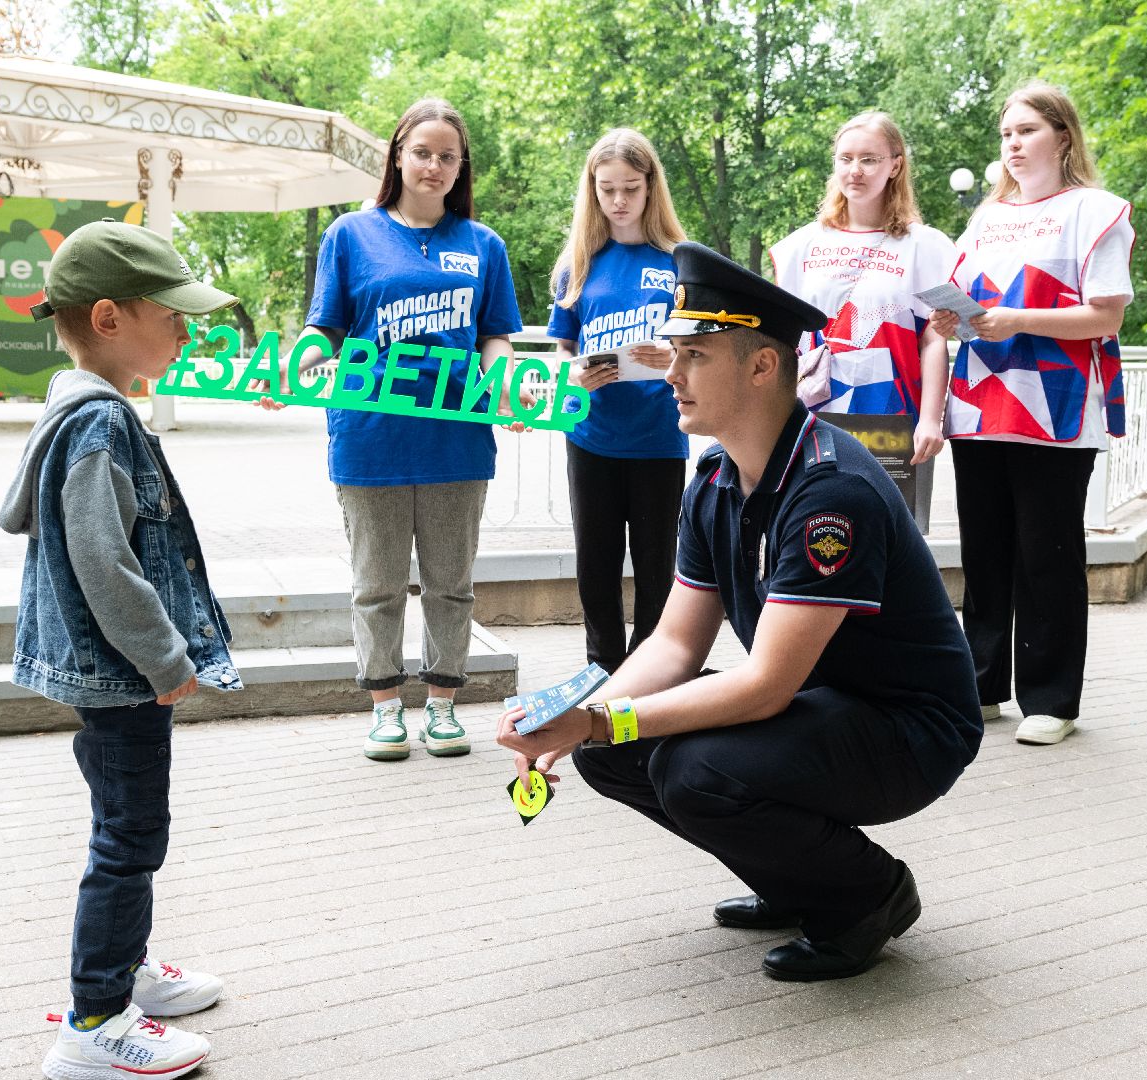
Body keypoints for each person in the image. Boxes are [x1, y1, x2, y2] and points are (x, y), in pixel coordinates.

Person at [498, 242, 983, 982]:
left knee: (696, 769)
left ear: (761, 366)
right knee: (616, 752)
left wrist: (597, 717)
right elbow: (673, 645)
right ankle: (796, 878)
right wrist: (572, 714)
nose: (672, 373)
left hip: (909, 731)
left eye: (694, 355)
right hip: (828, 704)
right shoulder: (717, 481)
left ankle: (866, 897)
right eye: (674, 353)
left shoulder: (830, 492)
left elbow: (764, 689)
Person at [0, 219, 241, 1080]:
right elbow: (106, 564)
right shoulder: (100, 424)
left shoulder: (85, 412)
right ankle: (95, 1019)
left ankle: (123, 966)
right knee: (130, 838)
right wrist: (167, 661)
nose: (187, 329)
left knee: (123, 826)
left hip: (108, 671)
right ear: (109, 318)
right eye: (171, 314)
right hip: (124, 672)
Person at [296, 98, 524, 762]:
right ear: (398, 155)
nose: (433, 165)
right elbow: (325, 326)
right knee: (378, 583)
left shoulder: (483, 246)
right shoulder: (350, 235)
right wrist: (293, 365)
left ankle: (446, 707)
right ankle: (386, 708)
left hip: (458, 442)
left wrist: (503, 382)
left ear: (460, 168)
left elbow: (495, 338)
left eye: (446, 156)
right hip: (370, 438)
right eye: (421, 151)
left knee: (451, 584)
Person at [930, 81, 1135, 746]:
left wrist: (1016, 319)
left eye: (1026, 131)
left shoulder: (1096, 211)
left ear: (1063, 136)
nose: (1013, 145)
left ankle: (1051, 700)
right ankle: (982, 686)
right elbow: (971, 309)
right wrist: (951, 317)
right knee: (985, 551)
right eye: (1006, 134)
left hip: (1056, 404)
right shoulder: (985, 220)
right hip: (980, 402)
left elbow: (1104, 314)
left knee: (1046, 553)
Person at [548, 129, 689, 674]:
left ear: (651, 187)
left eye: (631, 187)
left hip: (659, 438)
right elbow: (561, 355)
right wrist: (574, 378)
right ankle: (600, 669)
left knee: (657, 566)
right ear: (593, 191)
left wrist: (673, 359)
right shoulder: (577, 263)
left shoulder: (680, 261)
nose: (620, 201)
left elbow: (703, 353)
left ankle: (648, 671)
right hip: (592, 437)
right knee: (596, 564)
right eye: (607, 190)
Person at [769, 110, 955, 466]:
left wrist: (932, 419)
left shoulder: (926, 247)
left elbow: (934, 339)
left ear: (895, 166)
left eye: (869, 160)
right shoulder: (800, 245)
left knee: (892, 521)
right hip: (811, 418)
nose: (856, 170)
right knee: (816, 520)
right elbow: (782, 339)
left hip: (891, 417)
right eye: (846, 158)